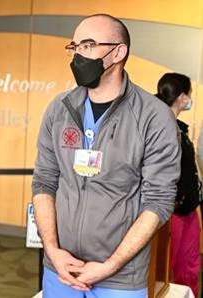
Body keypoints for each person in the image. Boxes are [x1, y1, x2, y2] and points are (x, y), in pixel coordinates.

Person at [32, 14, 181, 298]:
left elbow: (158, 201)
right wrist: (52, 250)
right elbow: (44, 182)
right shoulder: (59, 108)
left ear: (118, 52)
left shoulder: (154, 117)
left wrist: (110, 266)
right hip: (61, 268)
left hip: (121, 279)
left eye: (88, 45)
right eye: (74, 46)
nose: (78, 55)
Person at [156, 73, 201, 296]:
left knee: (189, 267)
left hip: (189, 210)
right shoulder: (159, 128)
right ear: (182, 97)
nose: (190, 99)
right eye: (189, 94)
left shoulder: (180, 129)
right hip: (168, 213)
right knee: (162, 270)